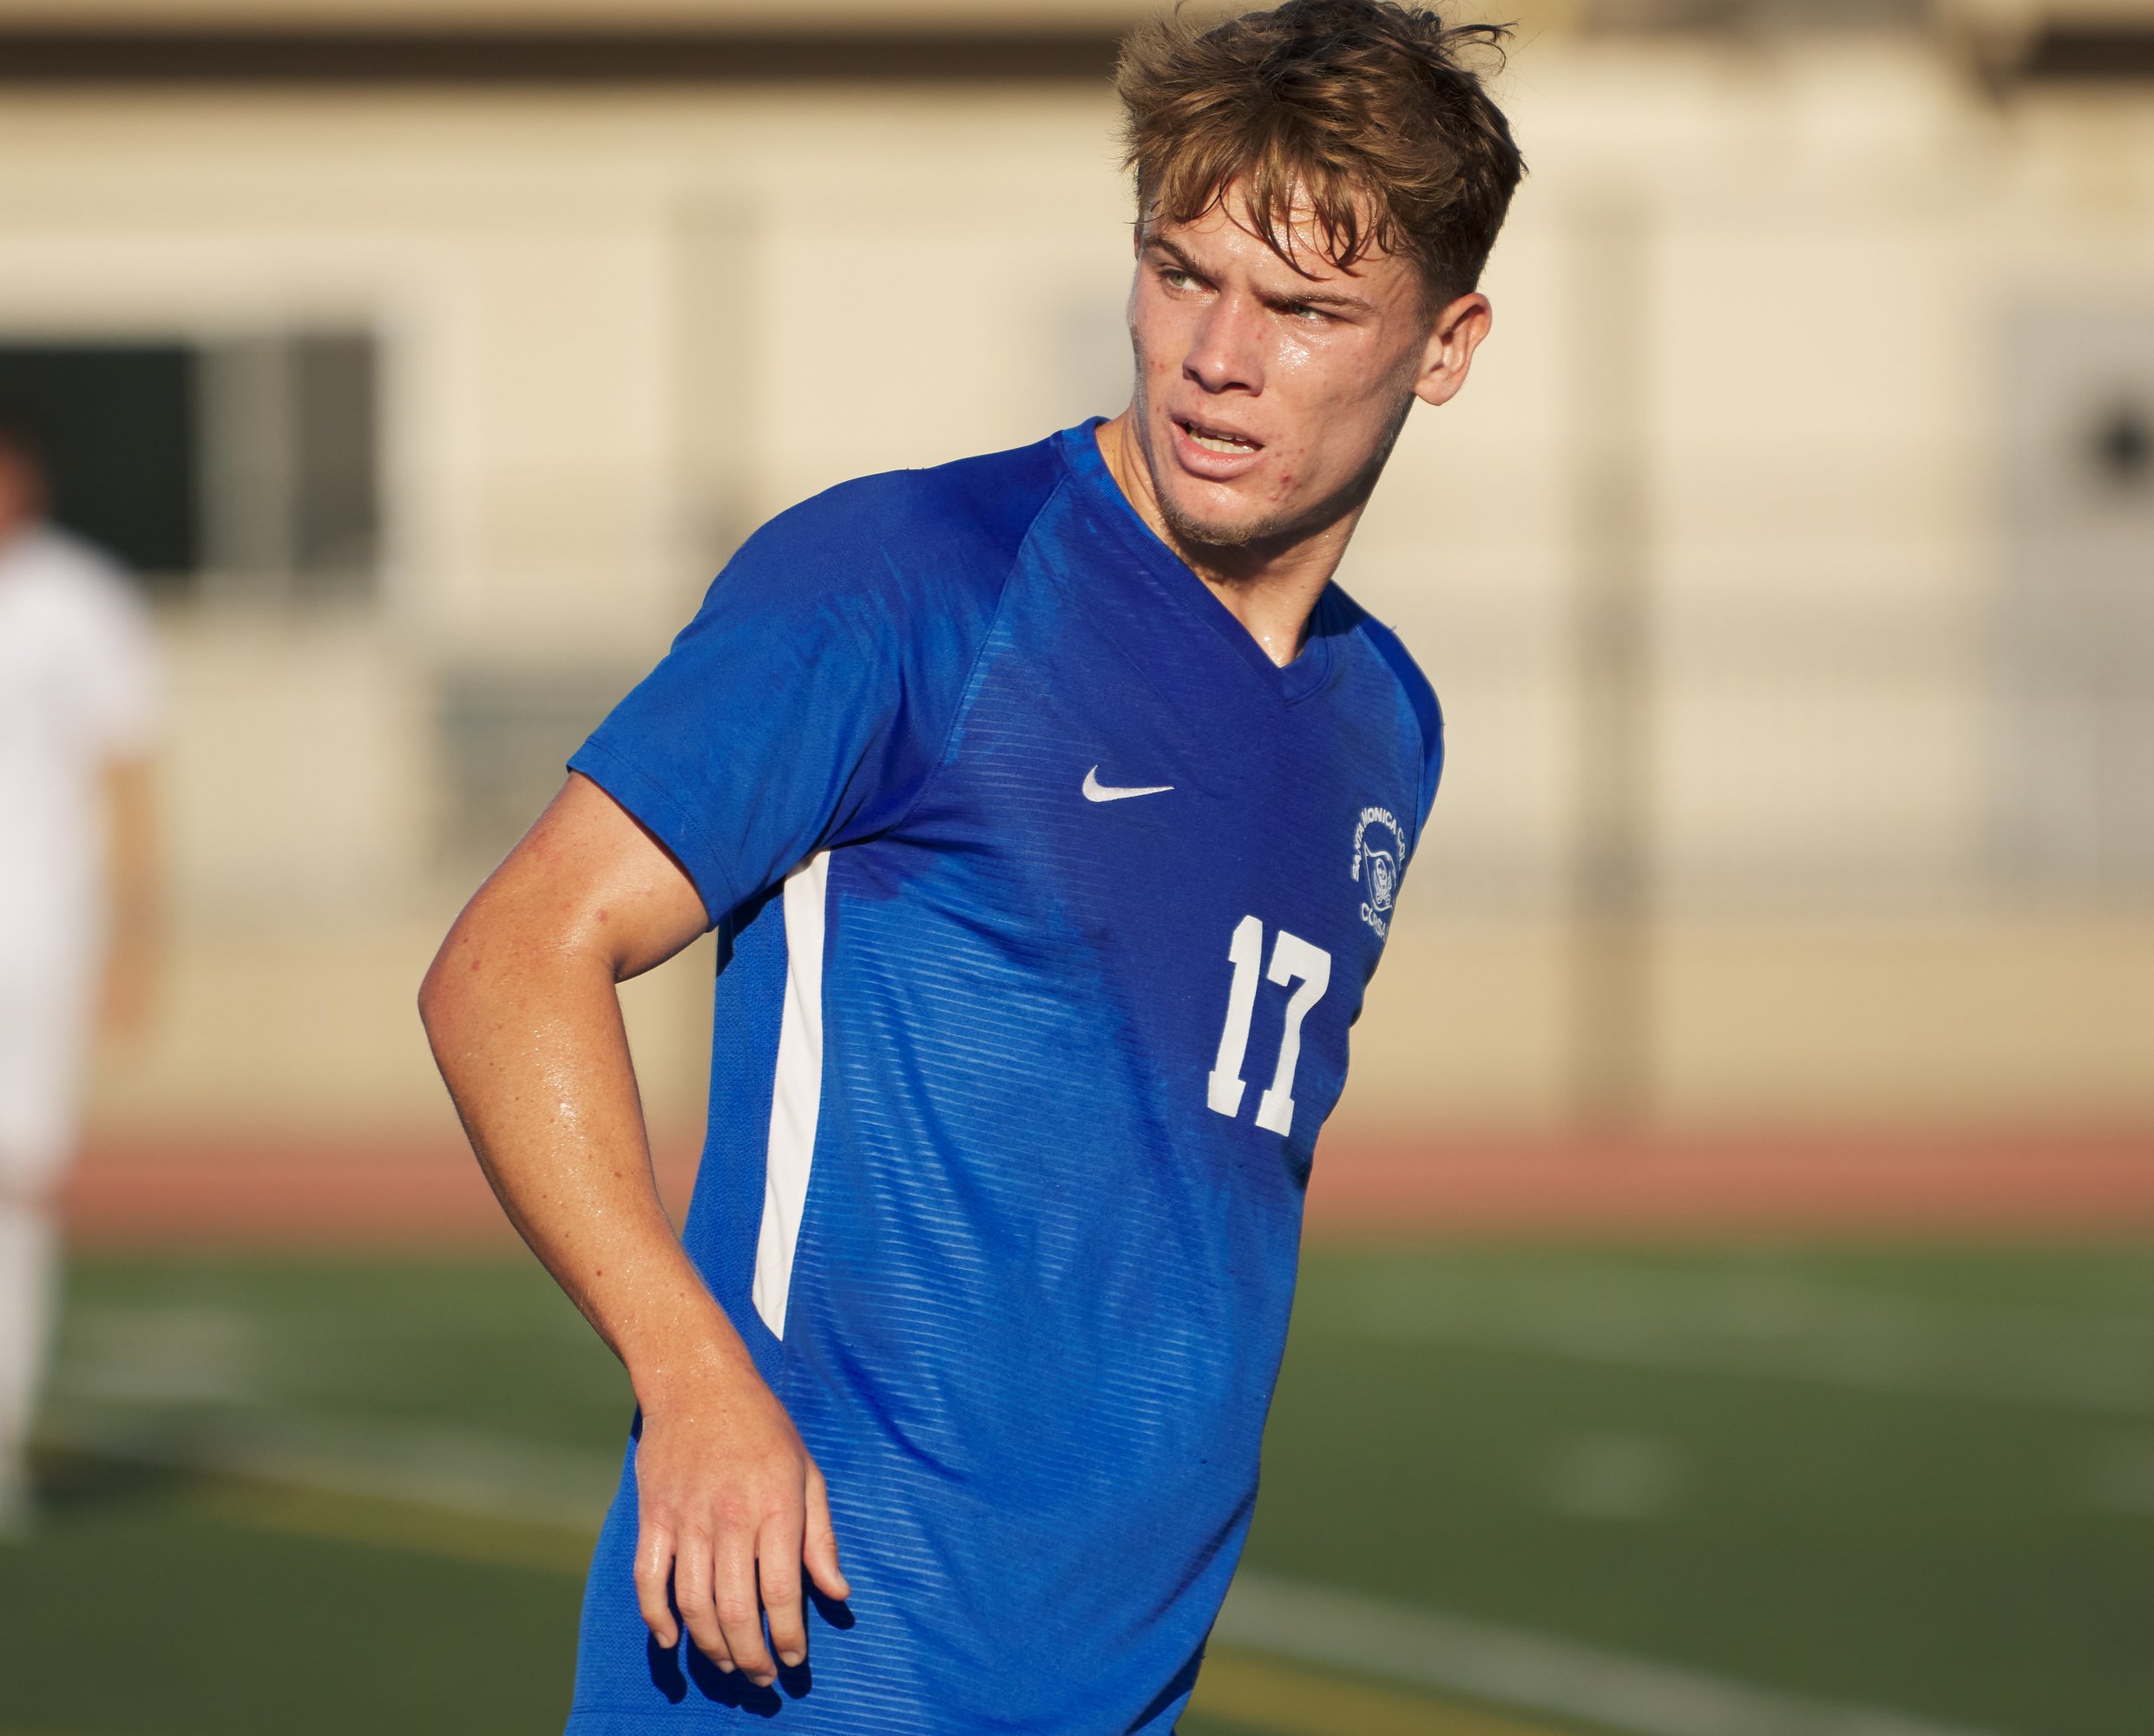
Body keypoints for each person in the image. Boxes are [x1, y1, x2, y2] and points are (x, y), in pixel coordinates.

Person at [420, 2, 1522, 1726]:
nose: (1219, 356)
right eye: (1180, 275)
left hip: (1110, 1673)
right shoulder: (913, 579)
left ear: (1444, 345)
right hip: (795, 1648)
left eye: (1305, 310)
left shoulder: (1384, 723)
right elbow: (510, 957)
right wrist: (689, 1372)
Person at [0, 417, 161, 1535]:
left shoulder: (81, 602)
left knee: (19, 1196)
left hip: (39, 938)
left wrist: (136, 940)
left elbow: (131, 776)